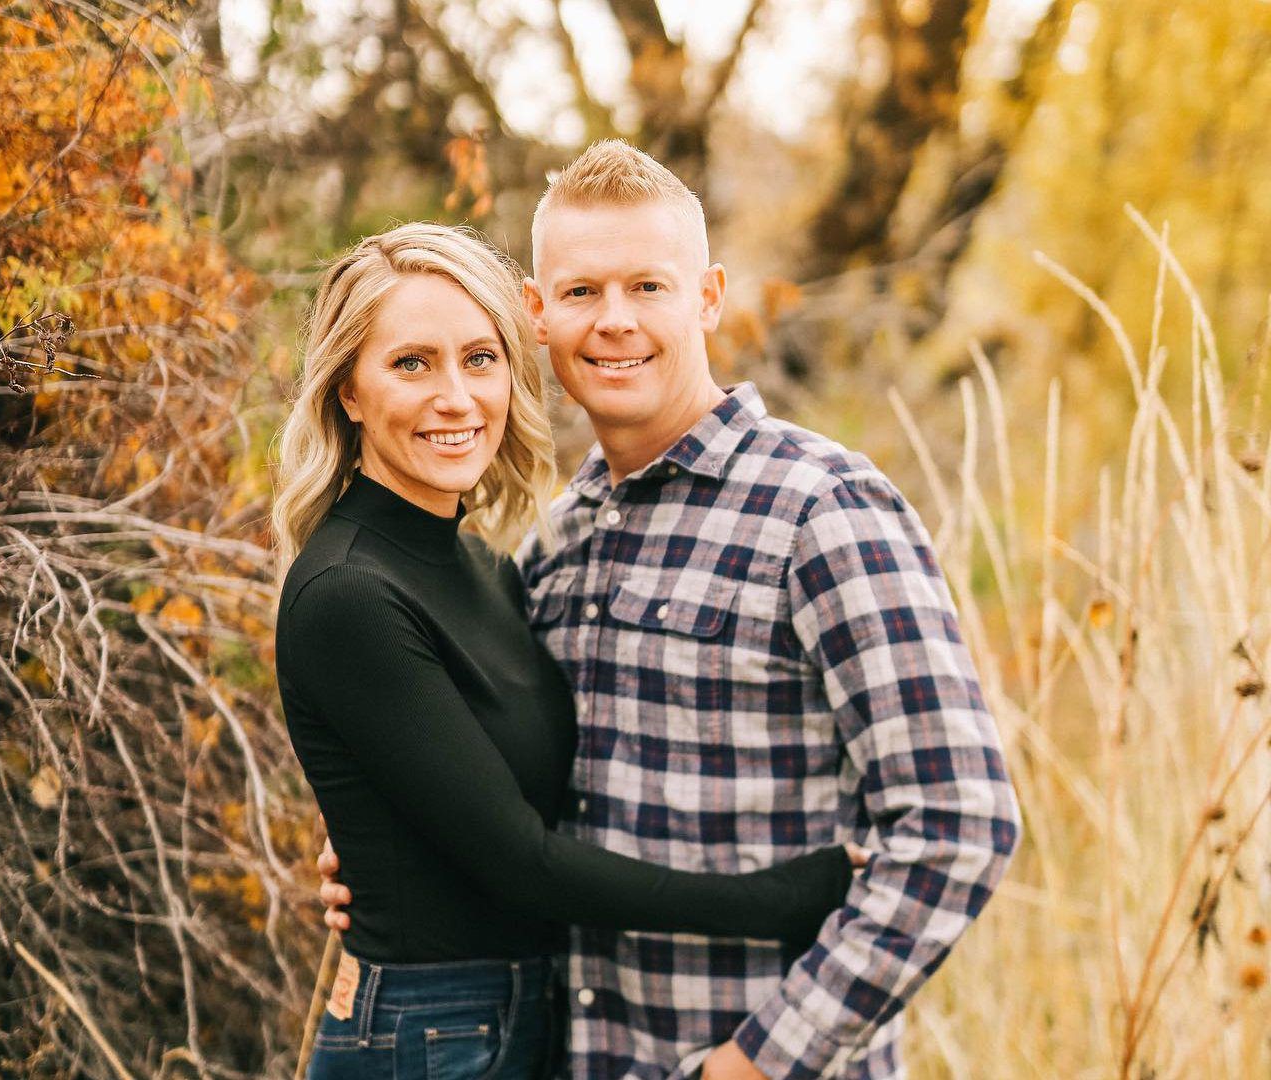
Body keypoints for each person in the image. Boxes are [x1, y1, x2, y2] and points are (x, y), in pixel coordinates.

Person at [322, 144, 1022, 1080]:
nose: (614, 322)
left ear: (708, 296)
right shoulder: (558, 542)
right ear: (537, 314)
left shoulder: (821, 510)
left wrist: (758, 1062)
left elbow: (958, 821)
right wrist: (393, 842)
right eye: (579, 293)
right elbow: (510, 792)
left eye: (647, 286)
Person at [272, 222, 868, 1080]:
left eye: (479, 358)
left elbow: (489, 797)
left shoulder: (481, 563)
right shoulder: (350, 591)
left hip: (515, 1016)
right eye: (411, 364)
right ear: (348, 393)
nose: (455, 396)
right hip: (425, 1034)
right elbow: (520, 861)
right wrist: (781, 900)